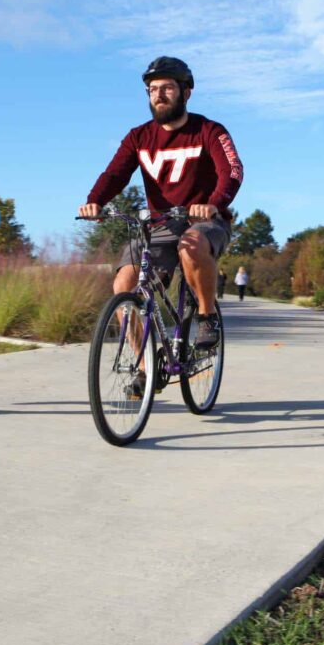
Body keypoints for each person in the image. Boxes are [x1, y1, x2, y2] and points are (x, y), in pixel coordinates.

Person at [78, 57, 244, 395]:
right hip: (159, 226)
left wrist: (213, 203)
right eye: (152, 89)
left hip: (205, 222)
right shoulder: (139, 137)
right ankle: (144, 369)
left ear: (187, 92)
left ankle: (206, 315)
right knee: (124, 283)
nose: (159, 95)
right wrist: (95, 200)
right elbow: (115, 174)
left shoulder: (209, 131)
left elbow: (233, 170)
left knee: (192, 244)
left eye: (167, 87)